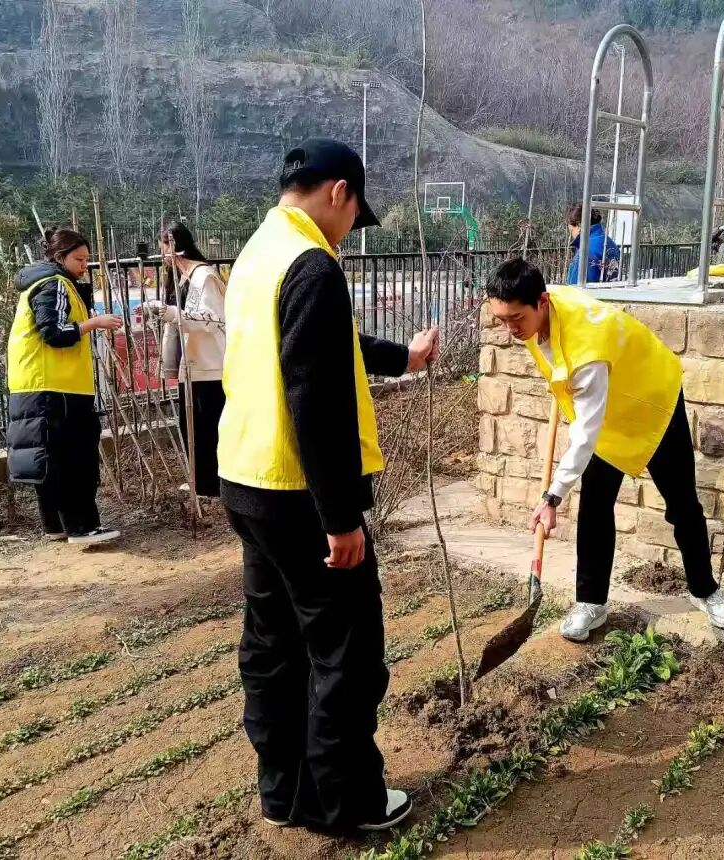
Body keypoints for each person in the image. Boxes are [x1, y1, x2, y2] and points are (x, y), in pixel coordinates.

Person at [217, 138, 439, 833]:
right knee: (346, 650)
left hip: (246, 479)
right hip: (298, 495)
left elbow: (325, 345)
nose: (350, 230)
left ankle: (283, 793)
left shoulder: (259, 253)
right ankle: (347, 802)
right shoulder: (312, 264)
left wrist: (403, 357)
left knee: (273, 645)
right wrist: (340, 518)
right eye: (354, 215)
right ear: (339, 192)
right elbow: (314, 397)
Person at [486, 258, 724, 641]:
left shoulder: (587, 348)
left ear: (542, 302)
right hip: (609, 408)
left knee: (682, 503)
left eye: (516, 318)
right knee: (595, 504)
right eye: (502, 320)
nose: (511, 329)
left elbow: (585, 434)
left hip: (651, 402)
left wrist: (552, 497)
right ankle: (591, 603)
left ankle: (705, 590)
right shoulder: (542, 307)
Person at [6, 228, 124, 545]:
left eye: (87, 259)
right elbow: (55, 333)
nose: (85, 265)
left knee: (49, 459)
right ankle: (82, 527)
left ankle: (55, 525)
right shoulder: (54, 284)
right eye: (79, 259)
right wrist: (94, 323)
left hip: (35, 384)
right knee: (75, 459)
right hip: (57, 388)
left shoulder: (41, 283)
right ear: (60, 257)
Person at [143, 222, 226, 497]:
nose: (163, 256)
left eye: (164, 248)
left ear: (176, 247)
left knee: (207, 427)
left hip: (209, 364)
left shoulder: (204, 276)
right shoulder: (183, 278)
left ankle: (211, 484)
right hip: (190, 363)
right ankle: (200, 481)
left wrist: (170, 313)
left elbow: (213, 319)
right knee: (190, 425)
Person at [566, 203, 619, 285]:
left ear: (579, 226)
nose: (572, 235)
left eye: (571, 230)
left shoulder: (585, 249)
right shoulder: (611, 243)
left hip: (588, 292)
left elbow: (574, 285)